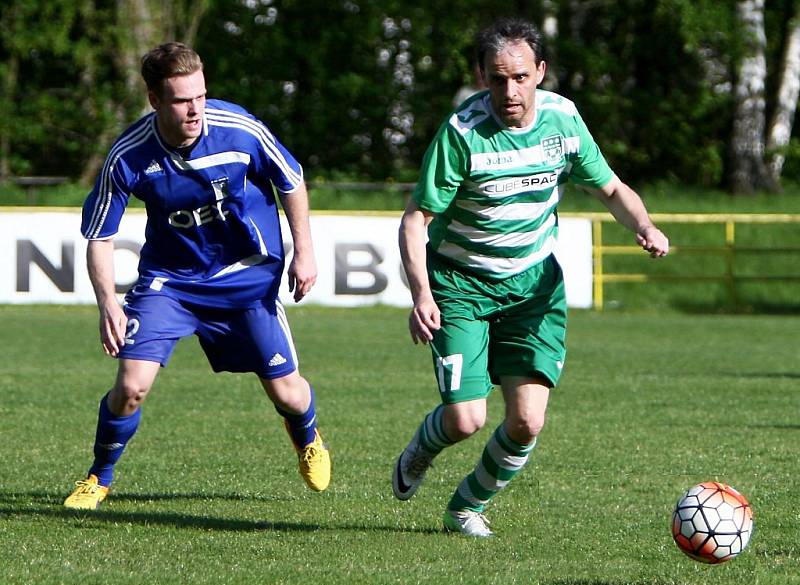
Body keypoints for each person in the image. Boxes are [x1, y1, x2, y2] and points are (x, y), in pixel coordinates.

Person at [392, 17, 668, 537]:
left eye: (520, 77)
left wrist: (645, 225)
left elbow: (609, 188)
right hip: (461, 284)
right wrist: (421, 293)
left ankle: (466, 508)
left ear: (540, 71)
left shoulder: (564, 121)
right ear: (482, 78)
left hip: (533, 287)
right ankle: (422, 449)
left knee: (526, 422)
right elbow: (416, 219)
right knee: (465, 420)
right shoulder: (461, 134)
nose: (510, 90)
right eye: (498, 79)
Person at [64, 42, 330, 510]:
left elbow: (291, 179)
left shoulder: (238, 128)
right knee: (130, 388)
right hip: (172, 282)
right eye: (182, 100)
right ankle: (98, 477)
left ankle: (307, 436)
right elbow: (99, 236)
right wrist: (108, 301)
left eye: (201, 96)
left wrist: (304, 252)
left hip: (246, 278)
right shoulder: (128, 155)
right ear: (155, 100)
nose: (195, 110)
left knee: (289, 394)